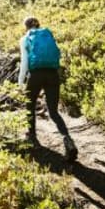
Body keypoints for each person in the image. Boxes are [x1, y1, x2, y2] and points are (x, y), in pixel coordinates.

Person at [19, 16, 77, 161]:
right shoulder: (47, 34)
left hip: (36, 75)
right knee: (53, 111)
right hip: (52, 74)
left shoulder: (25, 38)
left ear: (26, 27)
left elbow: (24, 62)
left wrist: (21, 82)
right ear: (39, 25)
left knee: (29, 106)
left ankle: (32, 137)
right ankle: (67, 140)